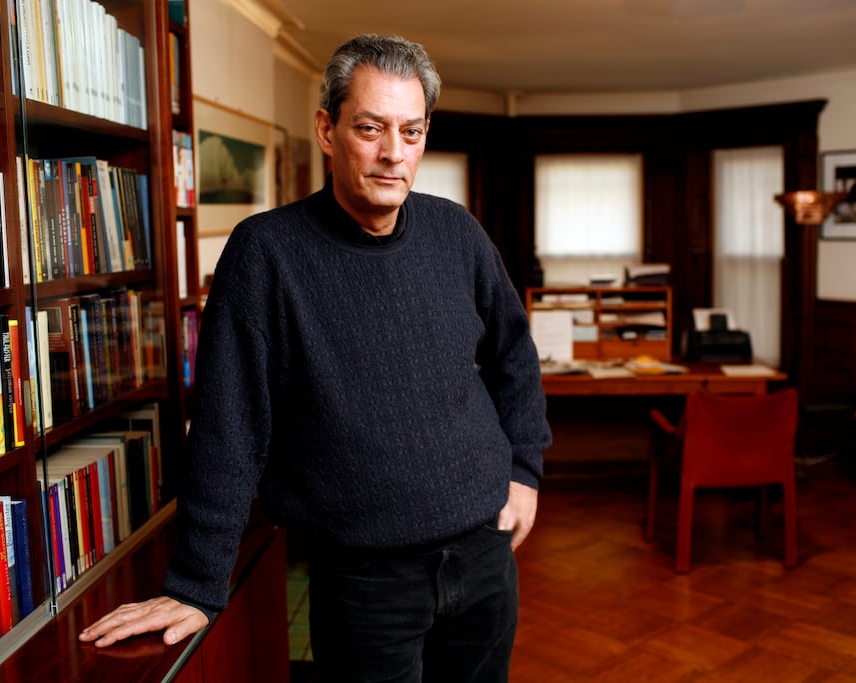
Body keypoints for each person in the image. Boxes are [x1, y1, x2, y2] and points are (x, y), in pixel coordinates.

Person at [79, 34, 551, 682]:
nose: (393, 153)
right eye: (370, 128)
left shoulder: (458, 232)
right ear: (327, 130)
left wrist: (524, 468)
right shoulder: (264, 254)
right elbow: (228, 425)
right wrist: (196, 583)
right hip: (364, 585)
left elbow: (514, 357)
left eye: (411, 132)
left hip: (484, 556)